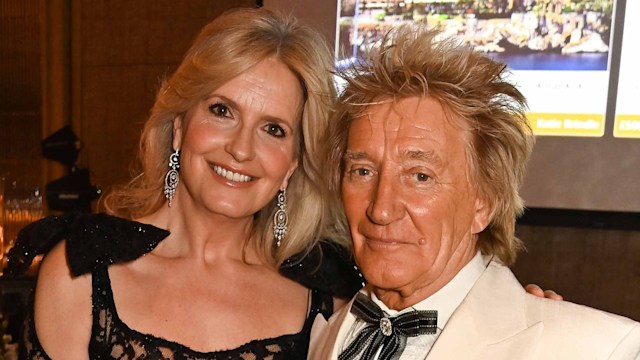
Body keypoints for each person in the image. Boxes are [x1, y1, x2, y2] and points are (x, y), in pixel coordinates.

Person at [6, 7, 363, 359]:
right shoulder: (80, 272)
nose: (241, 149)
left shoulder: (327, 299)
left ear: (292, 164)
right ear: (179, 126)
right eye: (222, 111)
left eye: (273, 129)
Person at [309, 24, 640, 359]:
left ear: (484, 203)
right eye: (362, 171)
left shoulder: (600, 348)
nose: (380, 209)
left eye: (420, 176)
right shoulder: (322, 335)